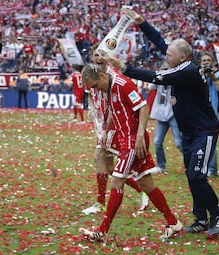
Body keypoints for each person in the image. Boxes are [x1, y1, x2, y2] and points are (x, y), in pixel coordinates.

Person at [122, 8, 219, 239]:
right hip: (190, 132)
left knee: (197, 175)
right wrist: (142, 22)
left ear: (181, 56)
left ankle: (217, 214)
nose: (165, 56)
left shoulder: (186, 70)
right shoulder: (180, 62)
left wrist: (125, 69)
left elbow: (156, 77)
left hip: (205, 131)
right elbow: (160, 42)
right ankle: (200, 218)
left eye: (169, 55)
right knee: (192, 175)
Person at [80, 63, 182, 241]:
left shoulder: (122, 84)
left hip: (132, 141)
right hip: (125, 140)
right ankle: (173, 222)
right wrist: (105, 130)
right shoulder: (109, 89)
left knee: (117, 181)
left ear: (103, 77)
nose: (96, 90)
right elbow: (113, 110)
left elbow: (143, 107)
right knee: (146, 184)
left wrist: (141, 134)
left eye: (95, 86)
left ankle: (102, 230)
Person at [81, 43, 149, 215]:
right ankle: (142, 191)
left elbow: (128, 101)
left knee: (101, 160)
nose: (98, 58)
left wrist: (106, 124)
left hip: (114, 123)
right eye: (95, 55)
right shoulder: (90, 75)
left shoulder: (113, 76)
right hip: (102, 124)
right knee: (110, 167)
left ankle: (100, 202)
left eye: (101, 54)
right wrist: (93, 114)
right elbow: (91, 97)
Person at [200, 52, 219, 176]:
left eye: (208, 60)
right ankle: (204, 166)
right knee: (202, 140)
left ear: (213, 62)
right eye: (203, 60)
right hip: (200, 111)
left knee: (210, 140)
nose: (206, 62)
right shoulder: (197, 76)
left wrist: (213, 78)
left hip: (214, 111)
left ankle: (212, 168)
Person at [149, 82, 183, 173]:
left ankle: (190, 161)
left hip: (173, 115)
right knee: (157, 142)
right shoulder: (159, 83)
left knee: (179, 143)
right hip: (161, 116)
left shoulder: (174, 81)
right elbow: (150, 87)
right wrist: (158, 78)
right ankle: (161, 166)